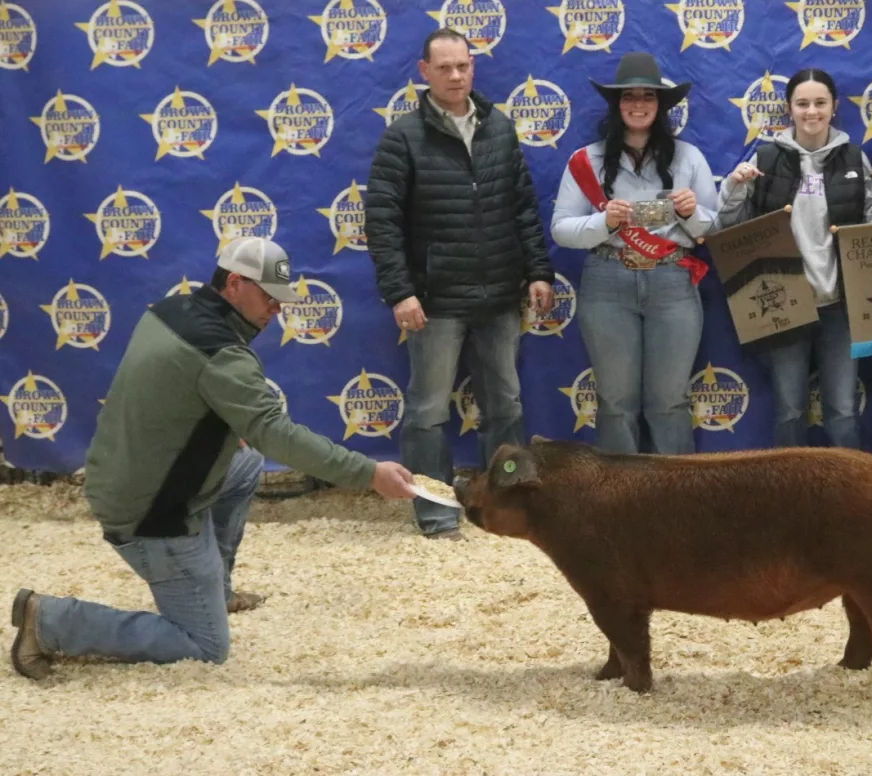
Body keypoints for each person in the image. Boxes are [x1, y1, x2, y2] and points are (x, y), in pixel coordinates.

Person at [10, 237, 416, 681]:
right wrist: (368, 472)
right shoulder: (222, 353)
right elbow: (277, 433)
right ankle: (48, 620)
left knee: (242, 465)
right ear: (237, 283)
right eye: (269, 298)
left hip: (119, 474)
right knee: (205, 645)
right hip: (153, 513)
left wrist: (217, 431)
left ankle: (213, 590)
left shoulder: (173, 309)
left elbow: (170, 393)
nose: (277, 310)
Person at [366, 28, 555, 541]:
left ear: (474, 68)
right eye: (445, 67)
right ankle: (434, 510)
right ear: (423, 72)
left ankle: (510, 507)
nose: (456, 75)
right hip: (434, 301)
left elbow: (522, 208)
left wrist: (538, 270)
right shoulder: (402, 137)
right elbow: (381, 222)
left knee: (506, 404)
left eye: (463, 66)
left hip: (499, 294)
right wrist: (399, 292)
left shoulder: (499, 128)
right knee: (428, 409)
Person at [717, 68, 872, 449]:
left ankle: (849, 497)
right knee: (789, 409)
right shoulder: (766, 159)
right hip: (784, 304)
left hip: (841, 305)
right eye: (802, 103)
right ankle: (790, 501)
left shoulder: (855, 157)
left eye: (820, 103)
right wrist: (734, 188)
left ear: (834, 107)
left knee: (841, 410)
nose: (811, 111)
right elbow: (729, 227)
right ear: (790, 109)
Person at [550, 52, 717, 454]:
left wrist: (693, 213)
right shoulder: (584, 160)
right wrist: (602, 223)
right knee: (617, 404)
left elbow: (715, 229)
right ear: (616, 104)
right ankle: (620, 508)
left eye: (647, 96)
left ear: (660, 105)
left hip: (672, 280)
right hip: (608, 282)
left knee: (669, 402)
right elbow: (560, 229)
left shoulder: (689, 157)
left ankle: (679, 505)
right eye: (629, 96)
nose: (638, 104)